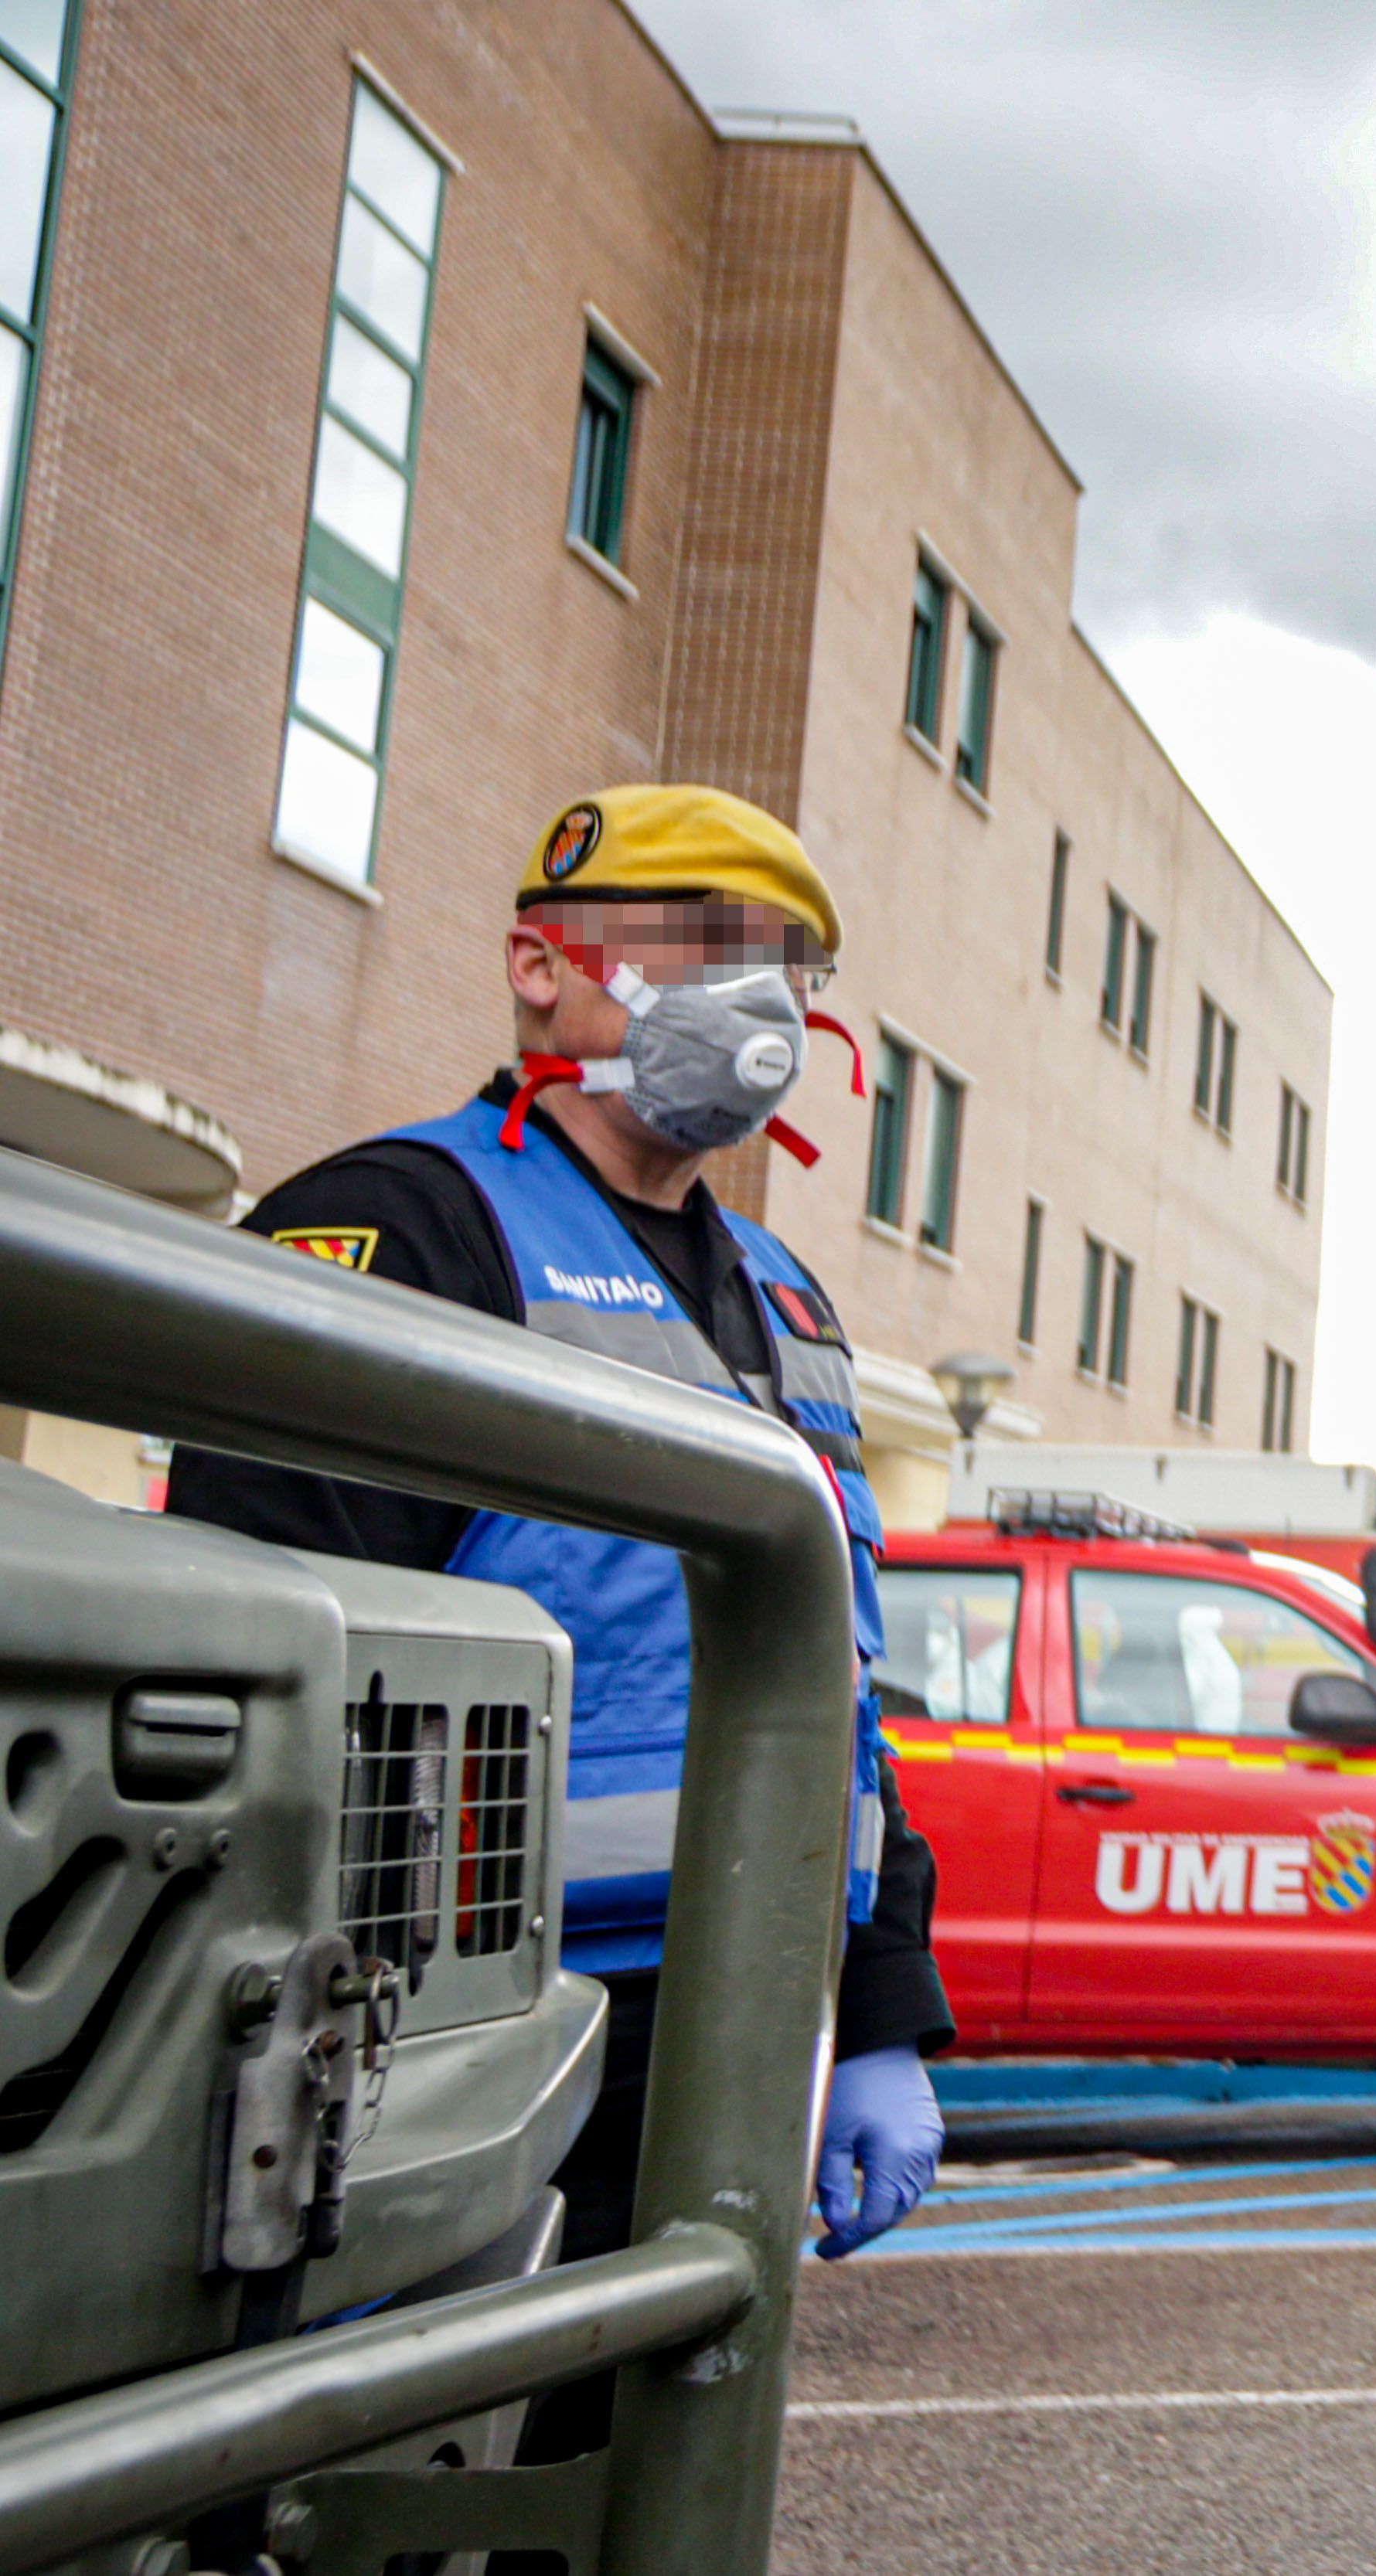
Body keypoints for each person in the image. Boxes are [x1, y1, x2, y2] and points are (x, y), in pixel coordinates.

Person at [170, 787, 950, 2404]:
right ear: (541, 963)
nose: (761, 997)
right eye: (710, 944)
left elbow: (839, 1687)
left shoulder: (788, 1298)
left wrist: (880, 2008)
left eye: (787, 962)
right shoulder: (402, 1225)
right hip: (466, 2027)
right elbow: (261, 1653)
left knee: (659, 2466)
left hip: (738, 2012)